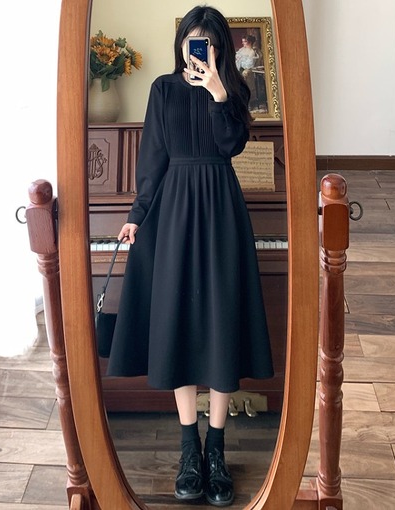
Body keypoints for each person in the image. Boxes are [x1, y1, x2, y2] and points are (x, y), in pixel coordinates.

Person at [107, 5, 274, 507]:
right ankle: (189, 450)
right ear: (181, 44)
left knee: (221, 323)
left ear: (220, 47)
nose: (198, 50)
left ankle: (216, 449)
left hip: (221, 209)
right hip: (174, 211)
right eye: (191, 41)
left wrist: (219, 93)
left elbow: (231, 147)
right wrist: (137, 214)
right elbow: (152, 159)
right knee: (178, 325)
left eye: (208, 42)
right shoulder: (163, 89)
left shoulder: (233, 91)